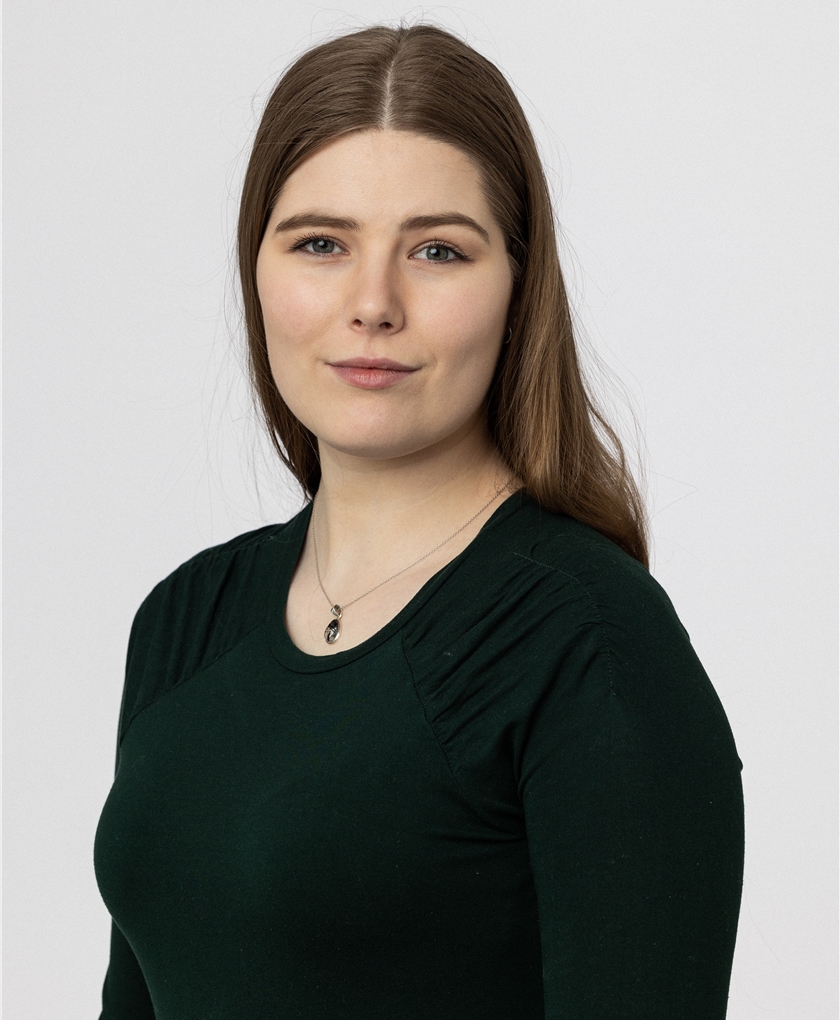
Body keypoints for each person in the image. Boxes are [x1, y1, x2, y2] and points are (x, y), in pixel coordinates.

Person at [93, 21, 745, 1020]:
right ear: (255, 268)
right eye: (320, 243)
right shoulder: (184, 621)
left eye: (438, 250)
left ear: (518, 286)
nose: (373, 303)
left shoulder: (589, 644)